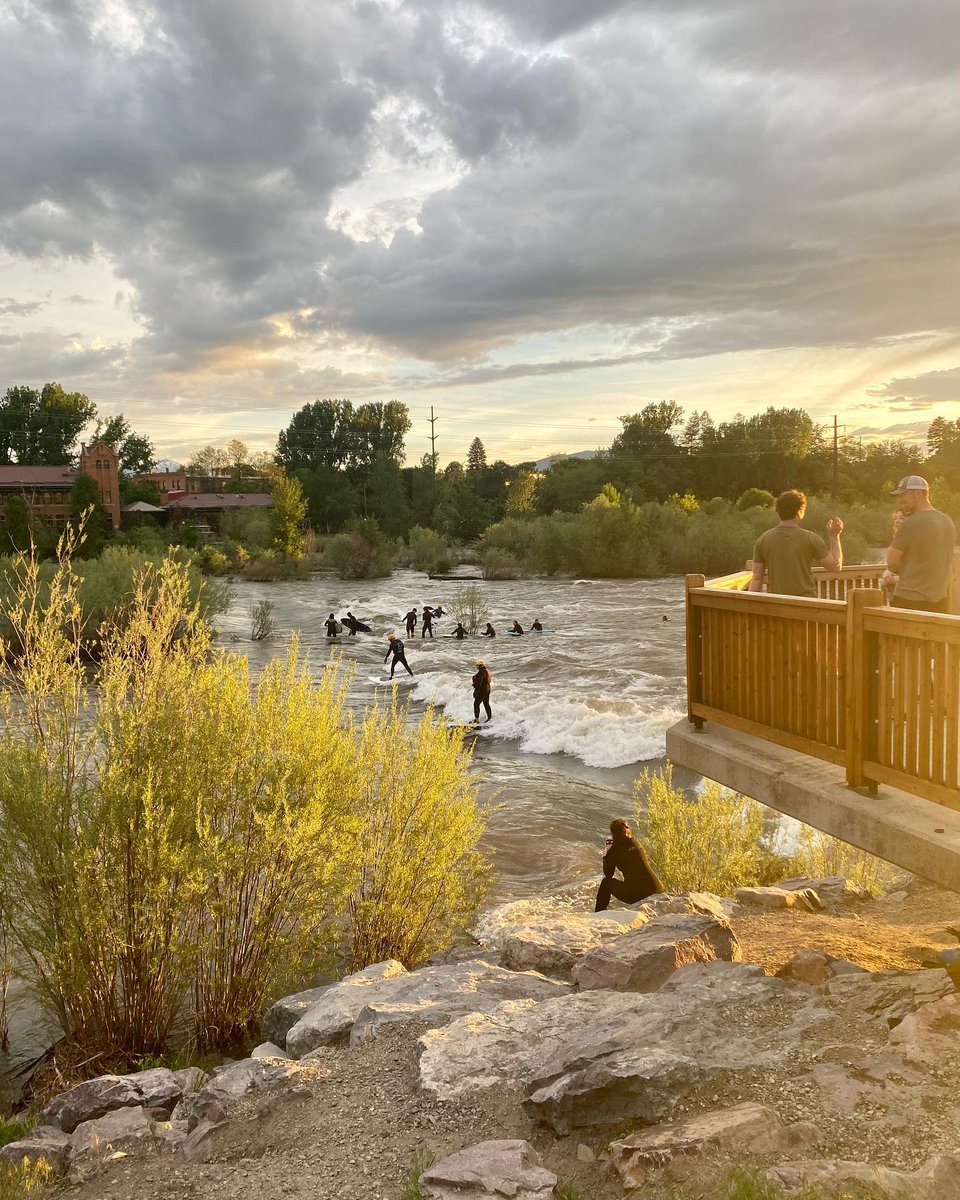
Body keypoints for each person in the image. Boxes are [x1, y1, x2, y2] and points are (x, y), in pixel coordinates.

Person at [748, 489, 843, 597]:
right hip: (806, 605)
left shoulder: (763, 540)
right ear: (799, 512)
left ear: (779, 511)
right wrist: (834, 536)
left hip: (776, 605)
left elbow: (756, 579)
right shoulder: (811, 539)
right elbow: (835, 566)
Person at [885, 476, 957, 613]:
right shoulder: (947, 521)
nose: (899, 500)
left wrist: (902, 570)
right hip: (939, 601)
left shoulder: (909, 523)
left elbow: (891, 563)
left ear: (918, 493)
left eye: (903, 495)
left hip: (909, 600)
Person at [594, 818, 663, 912]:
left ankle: (598, 914)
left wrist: (606, 856)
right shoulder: (636, 843)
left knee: (605, 883)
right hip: (656, 888)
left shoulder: (614, 850)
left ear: (613, 834)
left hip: (636, 894)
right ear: (628, 830)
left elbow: (608, 874)